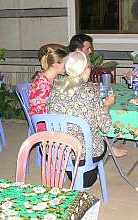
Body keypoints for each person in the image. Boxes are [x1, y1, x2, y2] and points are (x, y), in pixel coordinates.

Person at [47, 51, 118, 188]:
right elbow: (106, 127)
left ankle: (73, 176)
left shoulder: (55, 88)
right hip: (85, 155)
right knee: (86, 184)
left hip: (61, 152)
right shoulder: (91, 92)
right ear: (85, 70)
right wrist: (107, 106)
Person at [28, 47, 68, 131]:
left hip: (50, 117)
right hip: (44, 123)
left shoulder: (54, 78)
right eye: (65, 63)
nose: (68, 66)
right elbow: (41, 111)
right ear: (55, 64)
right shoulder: (41, 84)